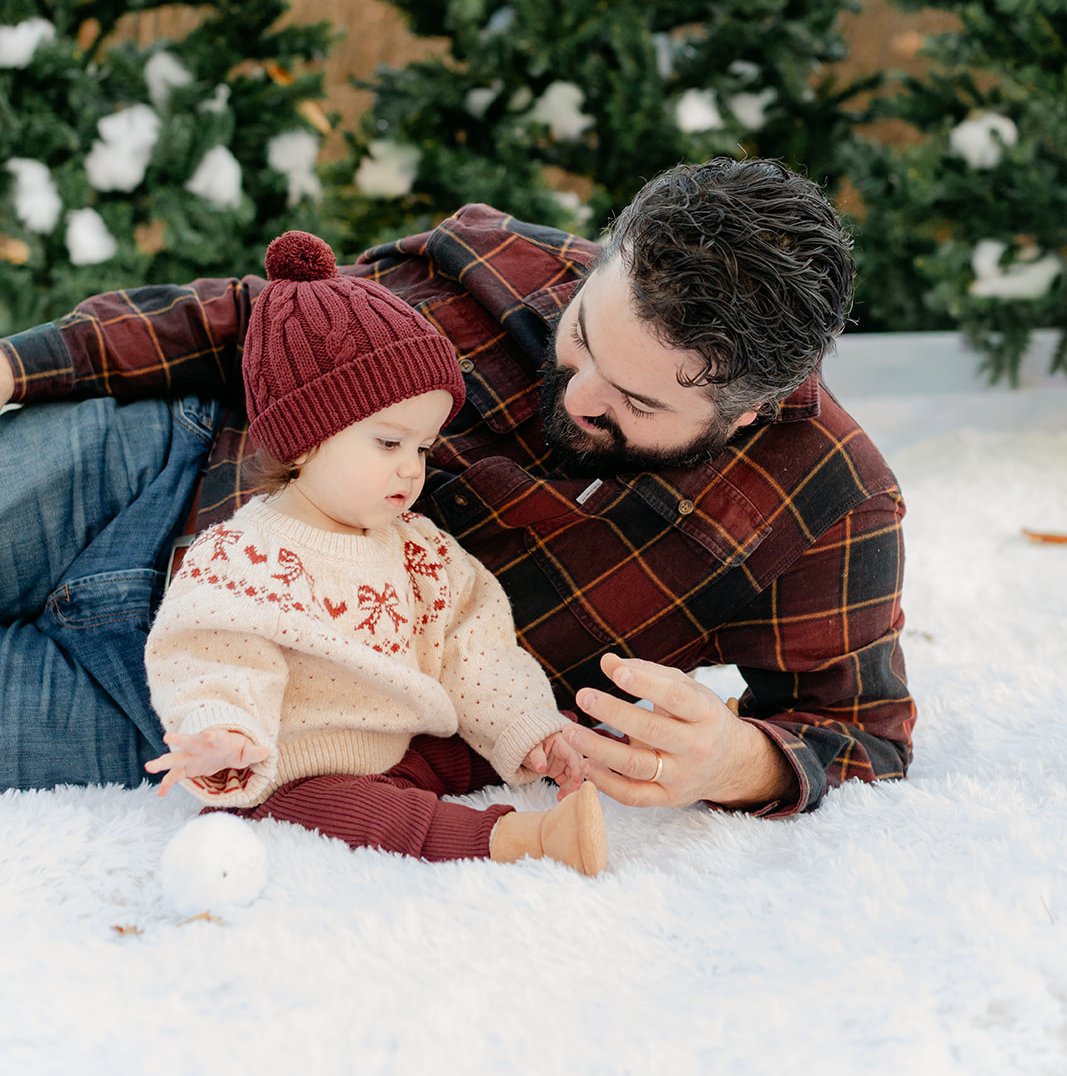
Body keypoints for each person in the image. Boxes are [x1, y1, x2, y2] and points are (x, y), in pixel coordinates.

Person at [0, 157, 915, 816]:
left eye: (633, 400)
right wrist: (17, 366)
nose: (580, 392)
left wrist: (736, 761)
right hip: (147, 471)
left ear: (749, 412)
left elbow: (862, 733)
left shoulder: (830, 503)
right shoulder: (498, 262)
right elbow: (259, 316)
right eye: (586, 335)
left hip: (214, 704)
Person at [141, 230, 606, 875]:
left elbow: (474, 649)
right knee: (370, 813)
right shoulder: (246, 553)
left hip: (402, 740)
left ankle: (569, 751)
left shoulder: (419, 550)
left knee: (477, 740)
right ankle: (517, 841)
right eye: (389, 444)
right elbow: (213, 652)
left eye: (422, 449)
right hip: (303, 766)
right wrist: (226, 731)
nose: (412, 471)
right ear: (305, 442)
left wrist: (528, 729)